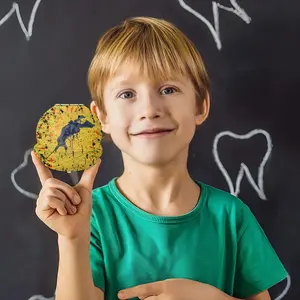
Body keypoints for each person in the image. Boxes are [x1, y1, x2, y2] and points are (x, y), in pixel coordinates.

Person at [31, 16, 288, 300]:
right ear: (101, 117)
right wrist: (72, 239)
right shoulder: (91, 217)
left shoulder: (231, 217)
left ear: (200, 105)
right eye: (127, 93)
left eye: (168, 89)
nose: (150, 109)